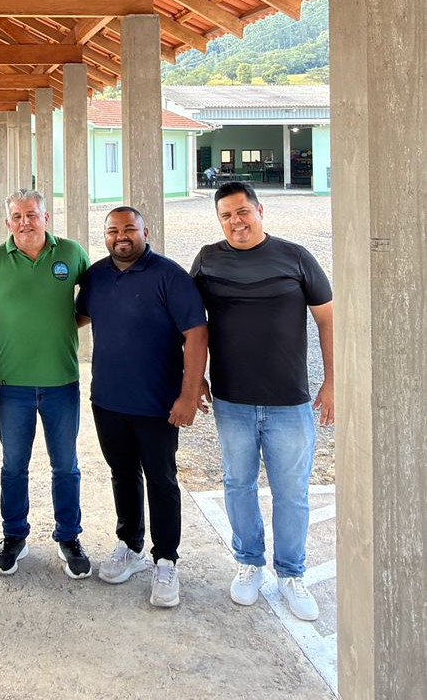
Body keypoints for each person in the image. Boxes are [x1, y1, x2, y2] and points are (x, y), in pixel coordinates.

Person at [191, 181, 334, 621]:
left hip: (290, 401)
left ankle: (291, 573)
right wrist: (193, 378)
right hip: (233, 399)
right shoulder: (208, 259)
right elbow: (193, 326)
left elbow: (327, 319)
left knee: (291, 493)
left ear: (259, 210)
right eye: (226, 216)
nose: (236, 222)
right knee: (238, 484)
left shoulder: (295, 257)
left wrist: (333, 381)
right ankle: (249, 563)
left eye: (242, 212)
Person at [76, 207, 208, 608]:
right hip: (109, 400)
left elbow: (196, 333)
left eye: (129, 229)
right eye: (113, 230)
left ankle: (166, 559)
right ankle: (129, 545)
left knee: (162, 480)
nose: (122, 236)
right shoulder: (96, 276)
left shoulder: (170, 276)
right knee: (122, 474)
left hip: (158, 405)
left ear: (144, 232)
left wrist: (187, 395)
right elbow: (76, 318)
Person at [0, 189, 91, 579]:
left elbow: (92, 303)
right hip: (12, 386)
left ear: (46, 218)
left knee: (65, 467)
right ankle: (14, 536)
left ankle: (69, 536)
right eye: (17, 216)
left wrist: (61, 328)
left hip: (62, 382)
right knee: (14, 467)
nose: (25, 222)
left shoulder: (71, 254)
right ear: (8, 223)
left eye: (32, 215)